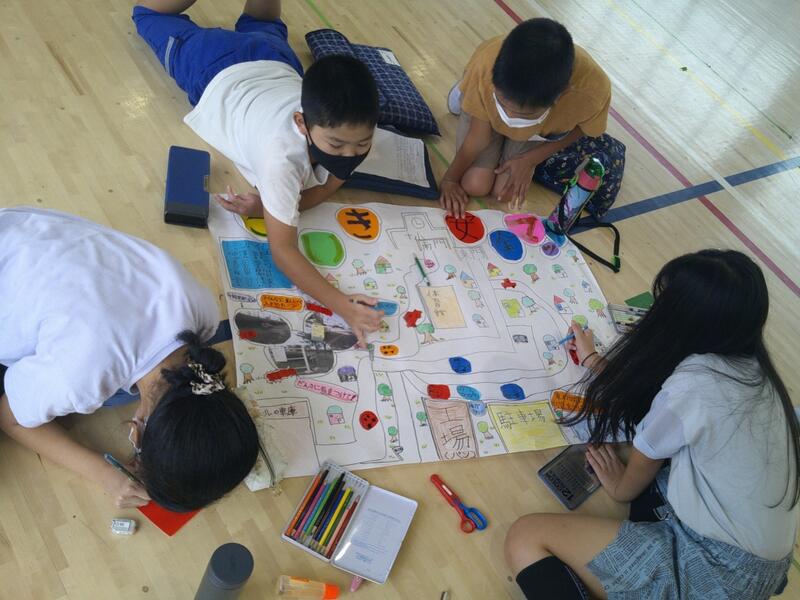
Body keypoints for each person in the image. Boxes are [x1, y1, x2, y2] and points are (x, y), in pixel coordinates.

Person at [504, 249, 797, 599]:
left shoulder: (694, 384)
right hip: (757, 562)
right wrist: (593, 360)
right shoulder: (750, 366)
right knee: (645, 493)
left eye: (664, 304)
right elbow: (660, 402)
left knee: (525, 537)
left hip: (717, 572)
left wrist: (620, 486)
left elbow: (642, 461)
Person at [133, 0, 383, 345]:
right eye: (337, 145)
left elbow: (328, 187)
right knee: (146, 14)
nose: (350, 154)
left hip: (275, 59)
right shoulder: (282, 160)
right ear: (301, 123)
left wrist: (269, 206)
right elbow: (283, 252)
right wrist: (342, 305)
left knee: (260, 22)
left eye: (362, 143)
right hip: (214, 66)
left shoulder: (342, 128)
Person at [0, 207, 260, 511]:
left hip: (24, 228)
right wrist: (105, 474)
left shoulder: (202, 313)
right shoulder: (83, 376)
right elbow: (9, 417)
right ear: (135, 431)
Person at [441, 18, 625, 219]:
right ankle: (465, 89)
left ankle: (504, 123)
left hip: (536, 132)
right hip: (486, 112)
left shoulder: (593, 90)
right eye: (502, 104)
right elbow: (477, 139)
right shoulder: (487, 63)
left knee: (504, 193)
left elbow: (582, 128)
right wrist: (450, 179)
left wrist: (531, 160)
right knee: (475, 184)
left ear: (562, 94)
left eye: (524, 116)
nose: (509, 117)